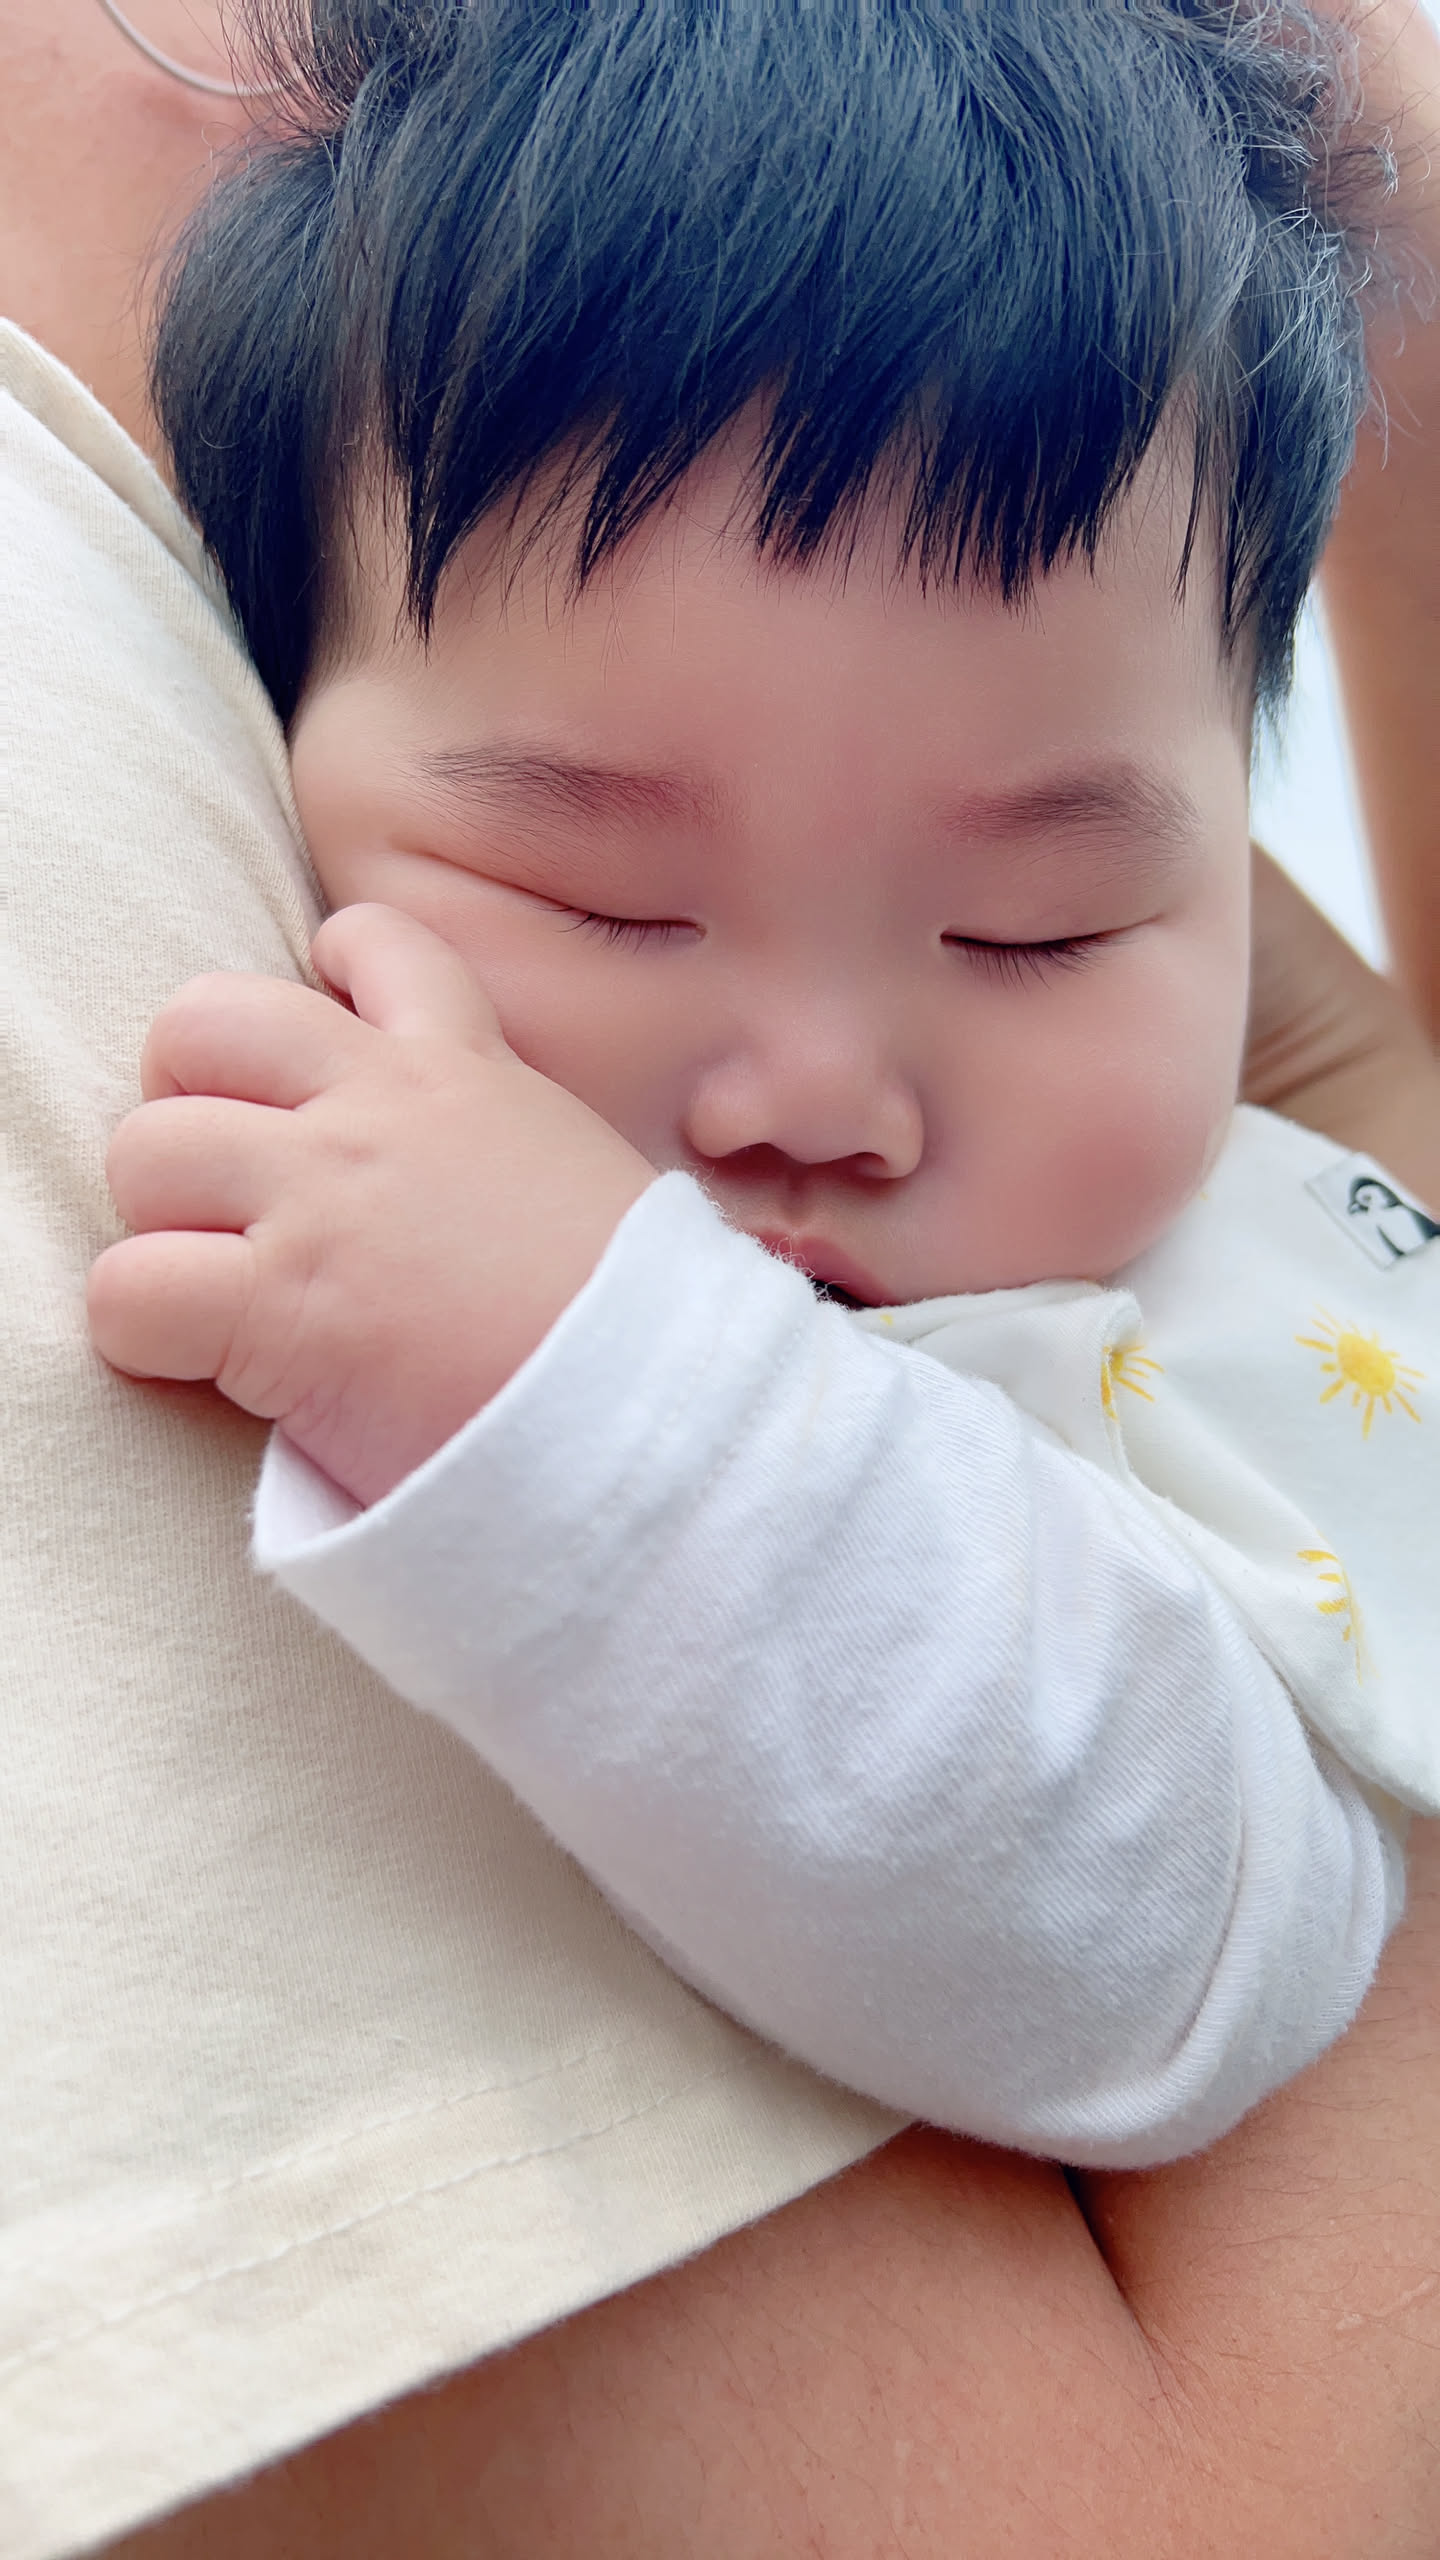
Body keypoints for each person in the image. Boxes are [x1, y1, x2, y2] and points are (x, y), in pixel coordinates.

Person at [4, 4, 1440, 2557]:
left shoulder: (1208, 1326)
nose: (818, 1085)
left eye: (1040, 923)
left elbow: (1198, 1945)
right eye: (600, 892)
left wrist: (587, 1374)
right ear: (269, 709)